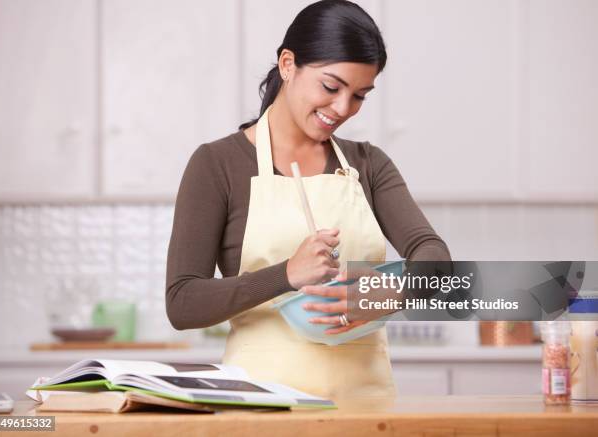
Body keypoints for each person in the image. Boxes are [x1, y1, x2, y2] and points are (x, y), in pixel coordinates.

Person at [166, 0, 450, 399]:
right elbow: (182, 303)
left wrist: (392, 290)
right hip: (261, 405)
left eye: (359, 96)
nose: (342, 108)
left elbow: (434, 257)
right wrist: (286, 274)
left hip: (368, 409)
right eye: (331, 87)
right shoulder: (218, 164)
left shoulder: (368, 164)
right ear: (287, 65)